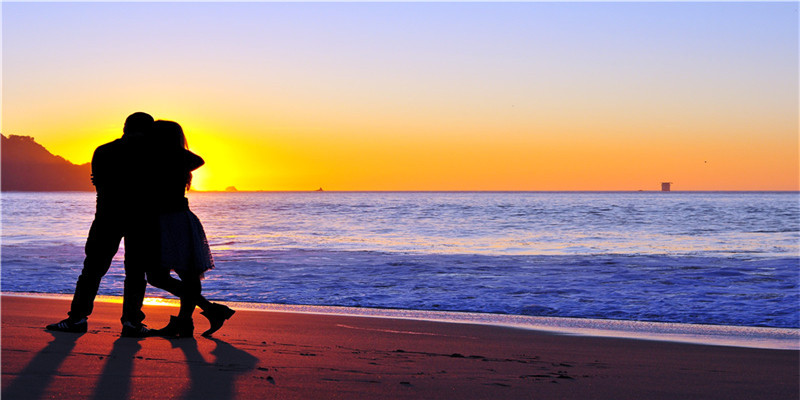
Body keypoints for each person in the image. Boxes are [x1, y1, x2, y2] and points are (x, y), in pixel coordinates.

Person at [47, 112, 154, 337]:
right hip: (141, 218)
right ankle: (131, 322)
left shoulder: (103, 150)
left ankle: (77, 318)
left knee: (92, 270)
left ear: (124, 127)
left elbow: (99, 183)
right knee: (135, 272)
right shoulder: (152, 153)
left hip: (107, 216)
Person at [142, 120, 234, 338]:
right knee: (167, 276)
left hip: (171, 221)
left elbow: (197, 160)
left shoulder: (166, 158)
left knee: (177, 275)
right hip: (170, 220)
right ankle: (206, 311)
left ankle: (187, 322)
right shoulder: (165, 158)